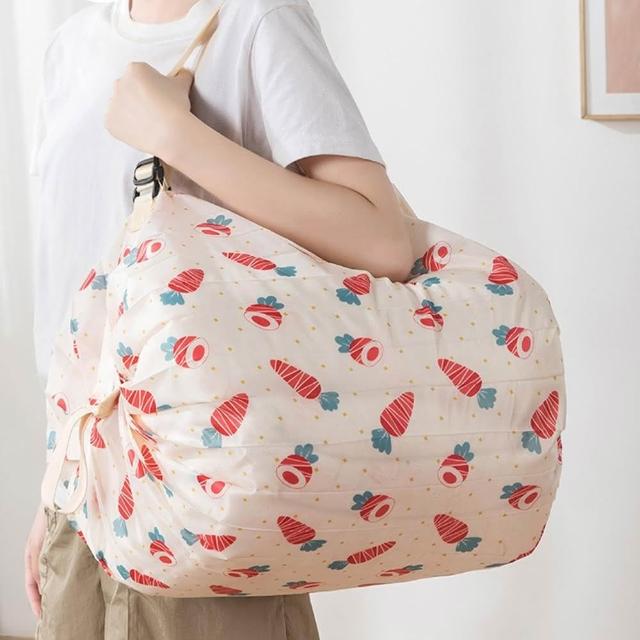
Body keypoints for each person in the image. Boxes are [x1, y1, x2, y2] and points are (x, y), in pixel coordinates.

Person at [24, 0, 413, 638]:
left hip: (208, 484)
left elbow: (382, 240)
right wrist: (53, 486)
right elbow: (76, 294)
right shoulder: (70, 46)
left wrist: (174, 135)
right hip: (84, 489)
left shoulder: (258, 20)